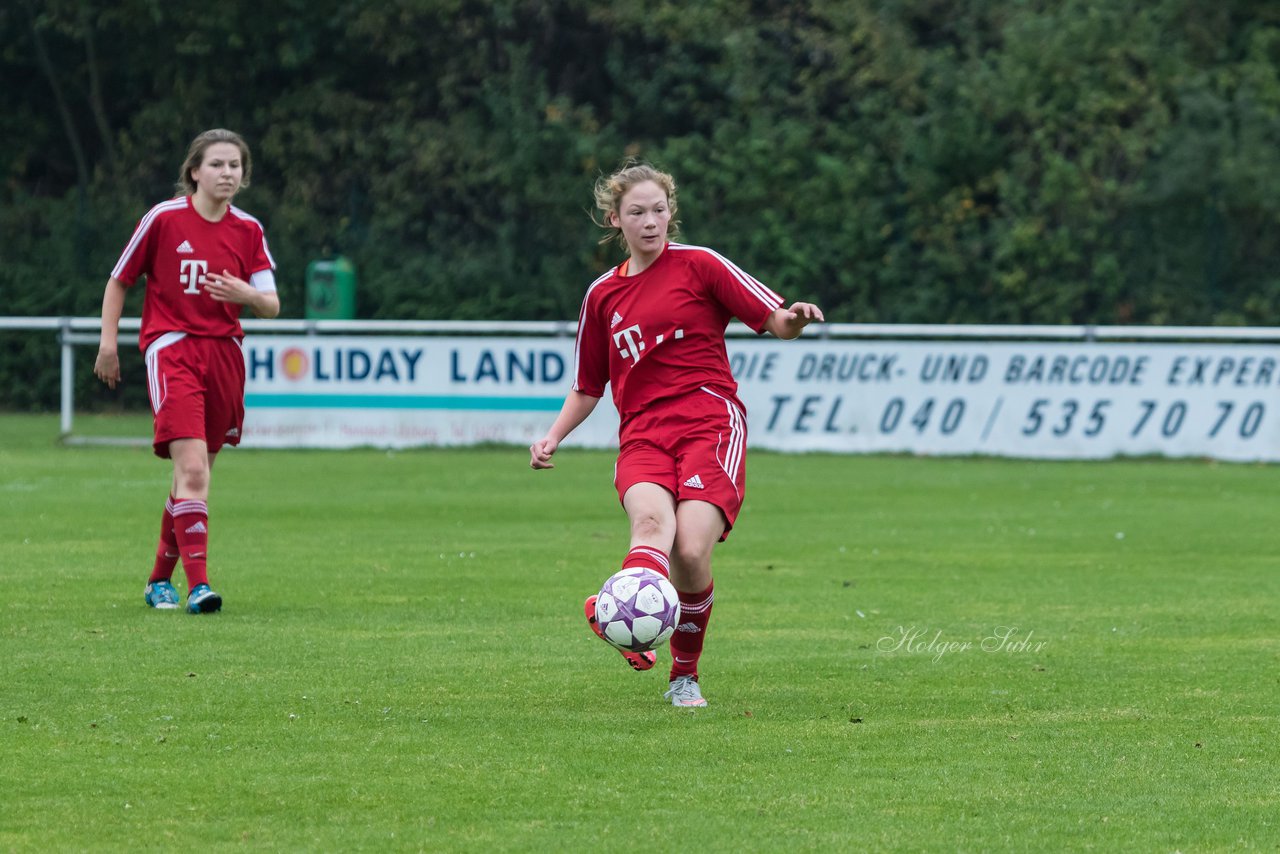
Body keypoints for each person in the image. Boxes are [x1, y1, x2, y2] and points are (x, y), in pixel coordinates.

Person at [529, 162, 823, 707]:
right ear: (614, 219)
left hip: (709, 424)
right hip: (642, 434)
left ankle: (681, 673)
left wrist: (796, 319)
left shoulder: (701, 265)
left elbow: (774, 320)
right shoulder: (601, 297)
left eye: (659, 210)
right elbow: (588, 385)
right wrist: (552, 437)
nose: (650, 221)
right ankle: (626, 616)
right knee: (649, 523)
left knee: (689, 551)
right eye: (637, 212)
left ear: (671, 214)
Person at [94, 128, 280, 614]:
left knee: (191, 478)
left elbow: (271, 305)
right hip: (172, 348)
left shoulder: (249, 229)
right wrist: (108, 344)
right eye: (217, 164)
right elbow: (119, 280)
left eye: (235, 165)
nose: (227, 173)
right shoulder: (164, 218)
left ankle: (159, 580)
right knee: (193, 469)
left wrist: (248, 296)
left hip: (224, 355)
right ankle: (199, 586)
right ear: (194, 171)